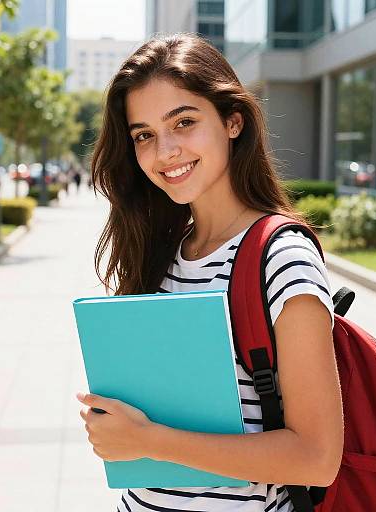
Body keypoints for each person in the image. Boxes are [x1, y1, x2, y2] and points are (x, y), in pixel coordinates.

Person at [77, 33, 344, 512]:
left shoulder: (281, 256)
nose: (165, 151)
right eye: (143, 135)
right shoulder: (161, 251)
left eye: (184, 122)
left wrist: (148, 440)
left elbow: (317, 457)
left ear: (233, 122)